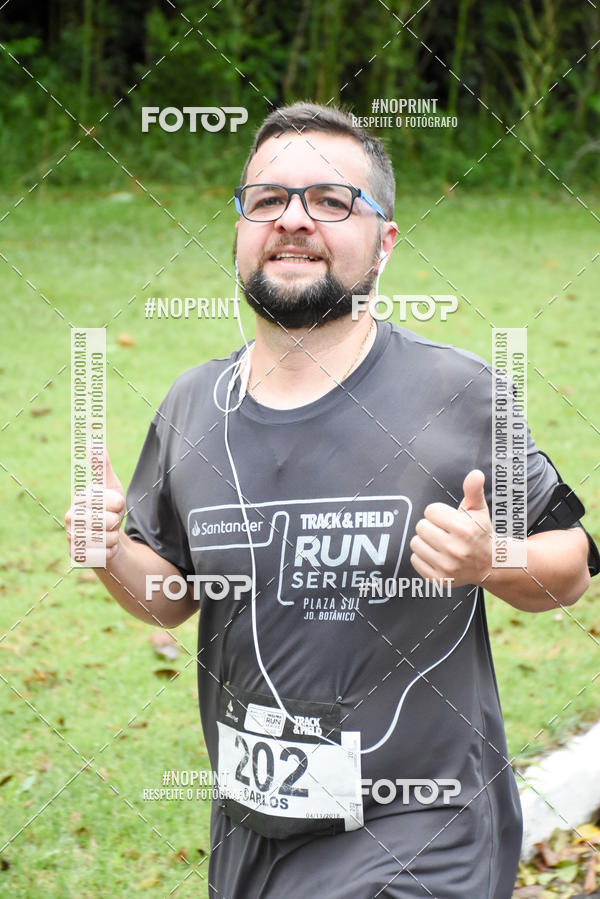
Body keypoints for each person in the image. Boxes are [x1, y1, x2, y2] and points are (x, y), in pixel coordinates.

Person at [65, 102, 599, 898]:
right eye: (269, 200)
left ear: (384, 241)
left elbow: (576, 566)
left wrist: (495, 556)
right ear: (240, 226)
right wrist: (109, 549)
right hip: (252, 833)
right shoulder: (192, 405)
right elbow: (171, 601)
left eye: (332, 200)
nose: (294, 220)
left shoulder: (459, 393)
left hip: (423, 831)